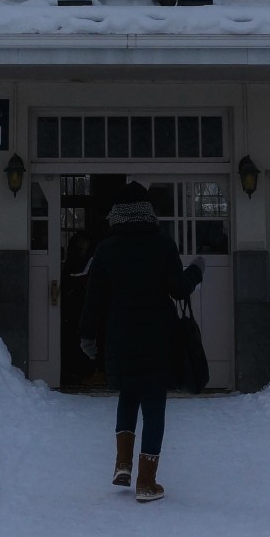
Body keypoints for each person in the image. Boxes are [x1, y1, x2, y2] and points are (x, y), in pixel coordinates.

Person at [78, 182, 204, 503]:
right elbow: (178, 290)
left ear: (116, 214)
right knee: (154, 407)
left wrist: (87, 336)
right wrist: (195, 272)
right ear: (148, 212)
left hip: (120, 336)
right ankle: (147, 483)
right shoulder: (162, 245)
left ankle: (123, 465)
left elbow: (93, 299)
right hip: (158, 336)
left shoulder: (106, 249)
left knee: (128, 396)